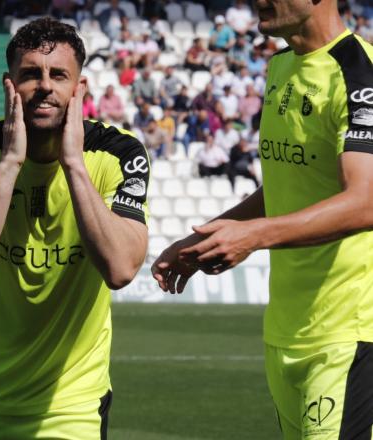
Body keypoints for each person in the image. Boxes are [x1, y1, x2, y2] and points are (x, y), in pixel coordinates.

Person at [151, 1, 373, 438]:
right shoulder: (279, 66)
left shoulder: (360, 73)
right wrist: (205, 237)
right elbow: (289, 184)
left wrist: (254, 237)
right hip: (287, 330)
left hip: (350, 331)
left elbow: (365, 201)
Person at [0, 17, 149, 439]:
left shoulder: (120, 154)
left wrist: (73, 163)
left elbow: (121, 268)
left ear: (79, 88)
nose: (45, 86)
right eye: (30, 74)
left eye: (59, 75)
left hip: (71, 410)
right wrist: (12, 161)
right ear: (9, 85)